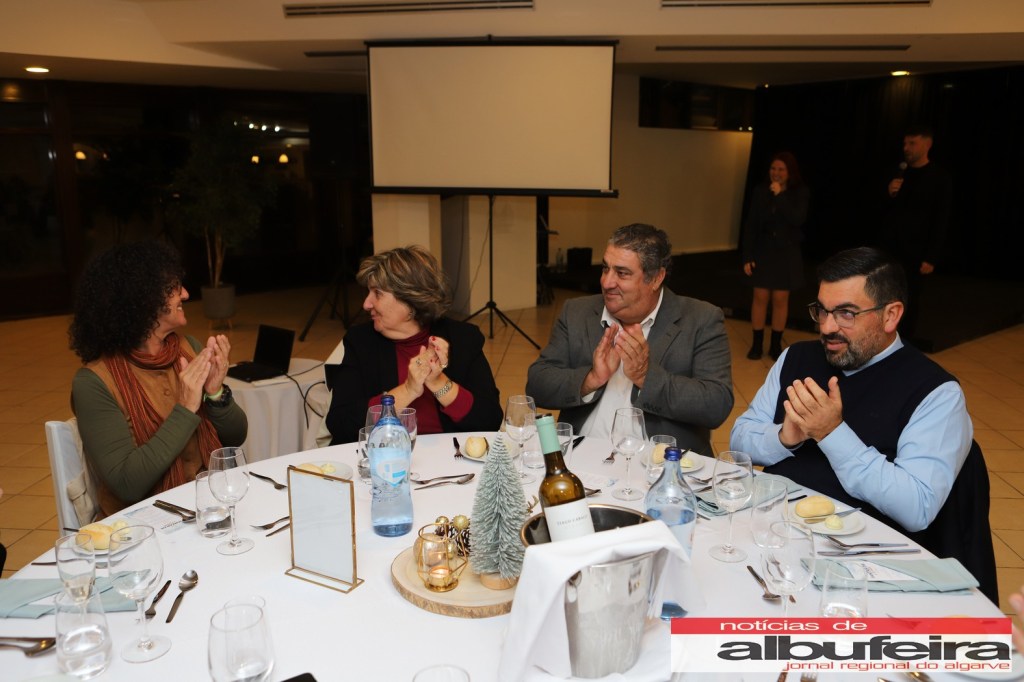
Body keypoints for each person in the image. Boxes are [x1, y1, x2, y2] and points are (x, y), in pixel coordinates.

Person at [731, 246, 996, 603]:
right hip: (774, 543)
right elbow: (739, 439)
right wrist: (784, 437)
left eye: (846, 314)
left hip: (861, 573)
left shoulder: (936, 392)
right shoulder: (796, 357)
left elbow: (917, 506)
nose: (827, 327)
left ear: (891, 315)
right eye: (822, 310)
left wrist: (832, 433)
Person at [69, 242, 247, 516]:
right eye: (173, 288)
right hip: (143, 524)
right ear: (142, 300)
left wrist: (215, 394)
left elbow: (236, 437)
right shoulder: (94, 383)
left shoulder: (189, 349)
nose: (185, 294)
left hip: (207, 507)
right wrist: (185, 408)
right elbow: (127, 483)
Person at [526, 223, 734, 456]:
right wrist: (590, 379)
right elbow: (537, 384)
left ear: (656, 278)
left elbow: (716, 404)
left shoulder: (700, 319)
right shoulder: (576, 312)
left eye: (622, 273)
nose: (607, 282)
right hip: (581, 456)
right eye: (605, 269)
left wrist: (646, 377)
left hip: (660, 462)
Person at [325, 246, 503, 444]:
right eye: (368, 292)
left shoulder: (462, 338)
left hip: (449, 455)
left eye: (377, 293)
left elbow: (490, 420)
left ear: (410, 301)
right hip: (385, 454)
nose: (366, 304)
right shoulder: (361, 341)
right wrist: (408, 390)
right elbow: (340, 424)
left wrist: (439, 382)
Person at [880, 125, 952, 339]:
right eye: (905, 143)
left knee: (908, 300)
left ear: (927, 145)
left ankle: (904, 344)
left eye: (912, 143)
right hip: (890, 250)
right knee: (885, 296)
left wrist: (931, 256)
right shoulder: (898, 174)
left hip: (916, 252)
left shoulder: (939, 178)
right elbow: (882, 212)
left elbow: (941, 219)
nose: (906, 148)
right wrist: (888, 193)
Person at [741, 151, 810, 361]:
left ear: (790, 172)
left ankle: (775, 345)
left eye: (781, 169)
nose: (776, 173)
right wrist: (747, 255)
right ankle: (757, 344)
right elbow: (751, 225)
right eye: (773, 168)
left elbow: (797, 219)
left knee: (780, 299)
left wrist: (780, 196)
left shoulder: (800, 192)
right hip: (763, 250)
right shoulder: (760, 191)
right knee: (760, 297)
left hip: (786, 252)